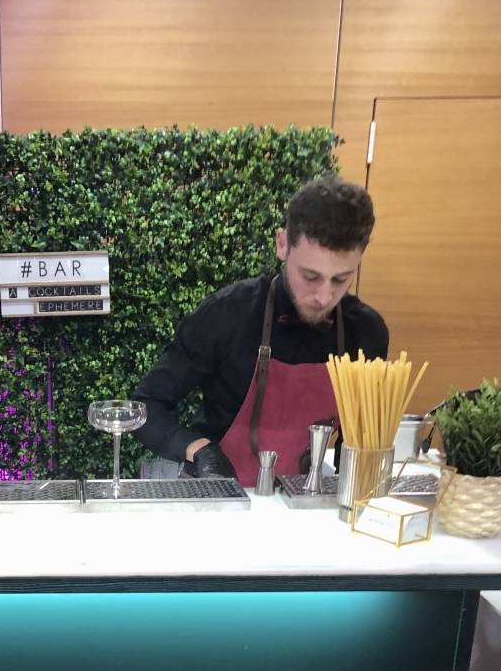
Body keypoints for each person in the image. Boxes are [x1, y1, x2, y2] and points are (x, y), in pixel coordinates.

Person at [132, 176, 389, 486]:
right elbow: (146, 407)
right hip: (220, 492)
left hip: (307, 497)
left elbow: (360, 441)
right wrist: (199, 450)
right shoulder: (226, 314)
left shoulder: (367, 333)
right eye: (310, 276)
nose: (324, 297)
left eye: (341, 279)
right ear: (282, 244)